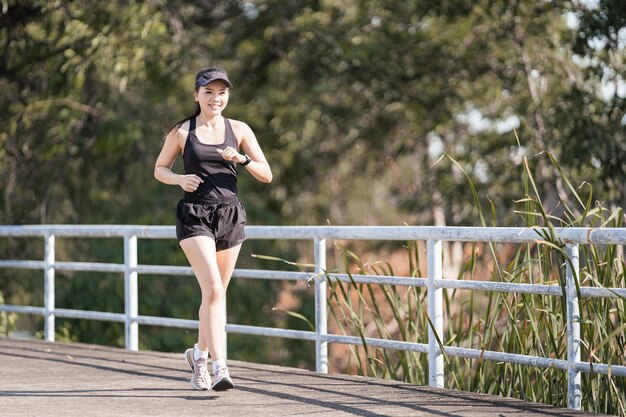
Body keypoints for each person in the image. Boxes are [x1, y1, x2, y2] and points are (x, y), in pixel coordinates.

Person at [154, 66, 272, 391]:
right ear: (197, 95)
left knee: (215, 294)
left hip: (230, 214)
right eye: (208, 92)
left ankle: (199, 357)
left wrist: (243, 160)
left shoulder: (240, 129)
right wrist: (179, 178)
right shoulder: (182, 131)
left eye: (221, 92)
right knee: (215, 290)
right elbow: (159, 169)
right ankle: (221, 367)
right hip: (195, 213)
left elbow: (267, 174)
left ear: (228, 96)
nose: (215, 98)